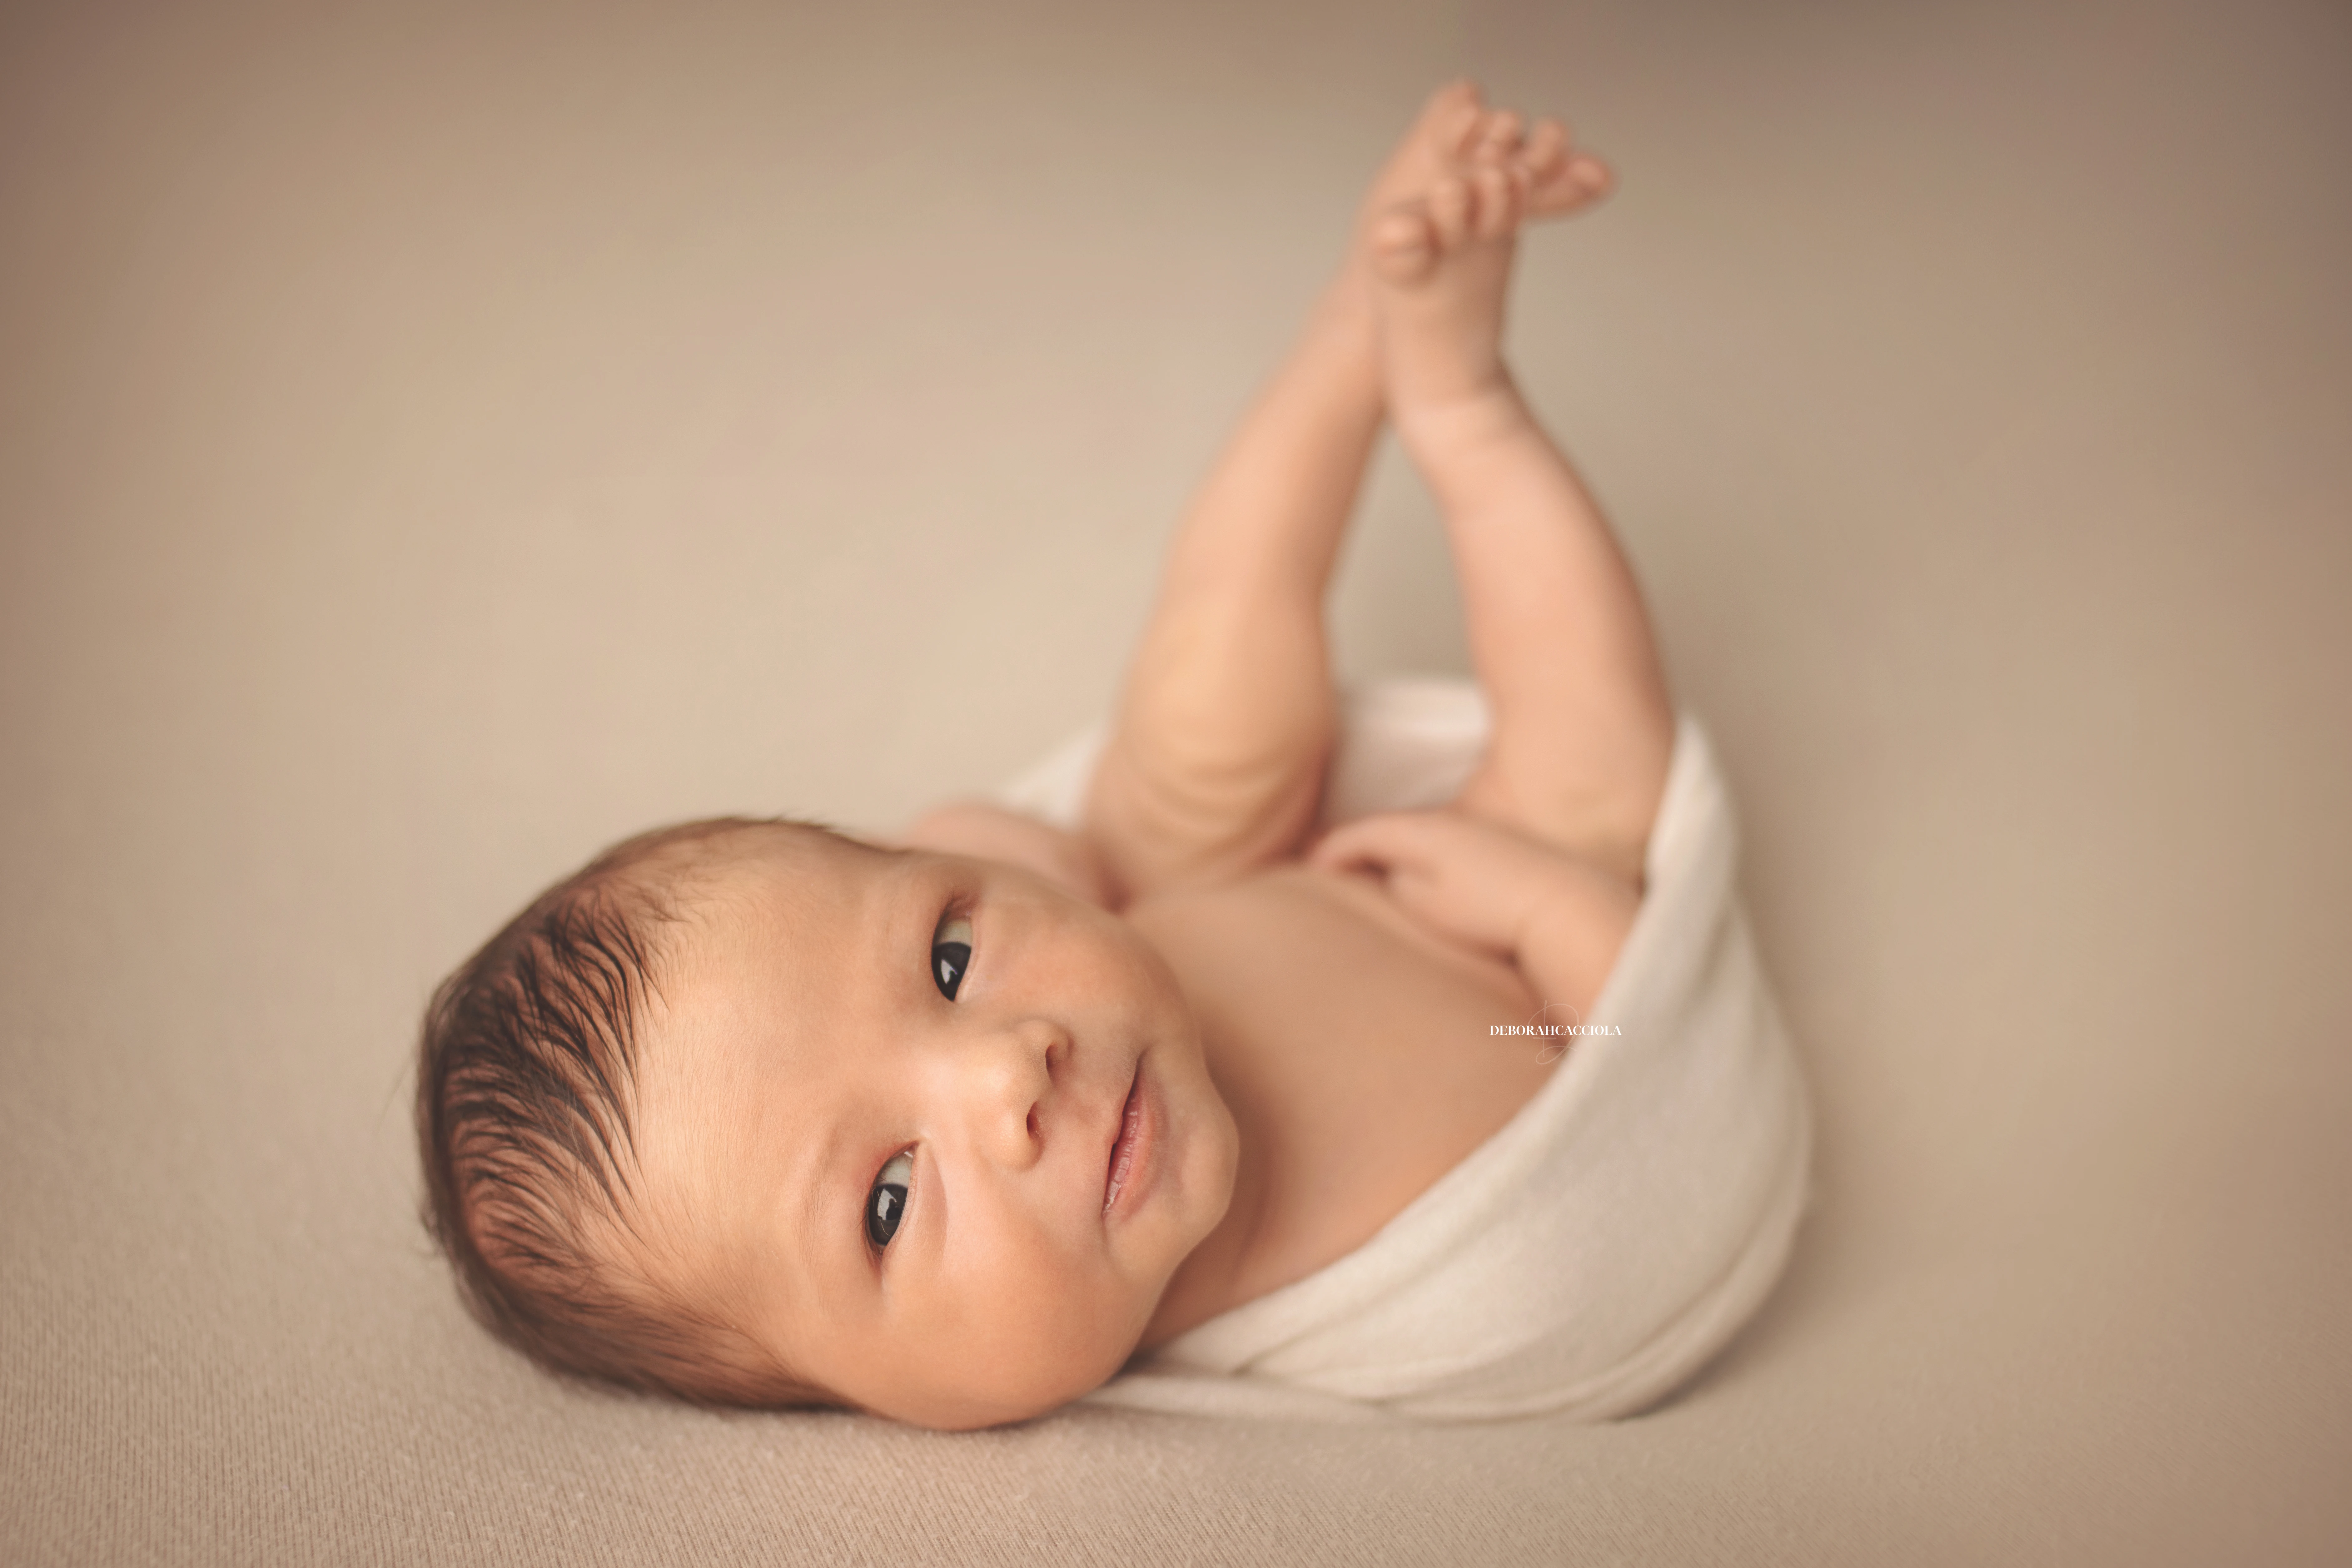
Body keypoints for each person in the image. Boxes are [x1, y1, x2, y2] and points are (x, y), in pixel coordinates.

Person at [417, 82, 1691, 1431]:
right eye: (889, 1201)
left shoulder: (1084, 1002)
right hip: (1545, 991)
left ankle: (1366, 345)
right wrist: (1558, 919)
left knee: (1196, 732)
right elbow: (1652, 1147)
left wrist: (1007, 853)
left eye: (949, 960)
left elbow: (1003, 865)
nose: (1004, 1071)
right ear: (871, 1401)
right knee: (1591, 788)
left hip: (1207, 906)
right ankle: (1468, 407)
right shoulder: (1458, 1286)